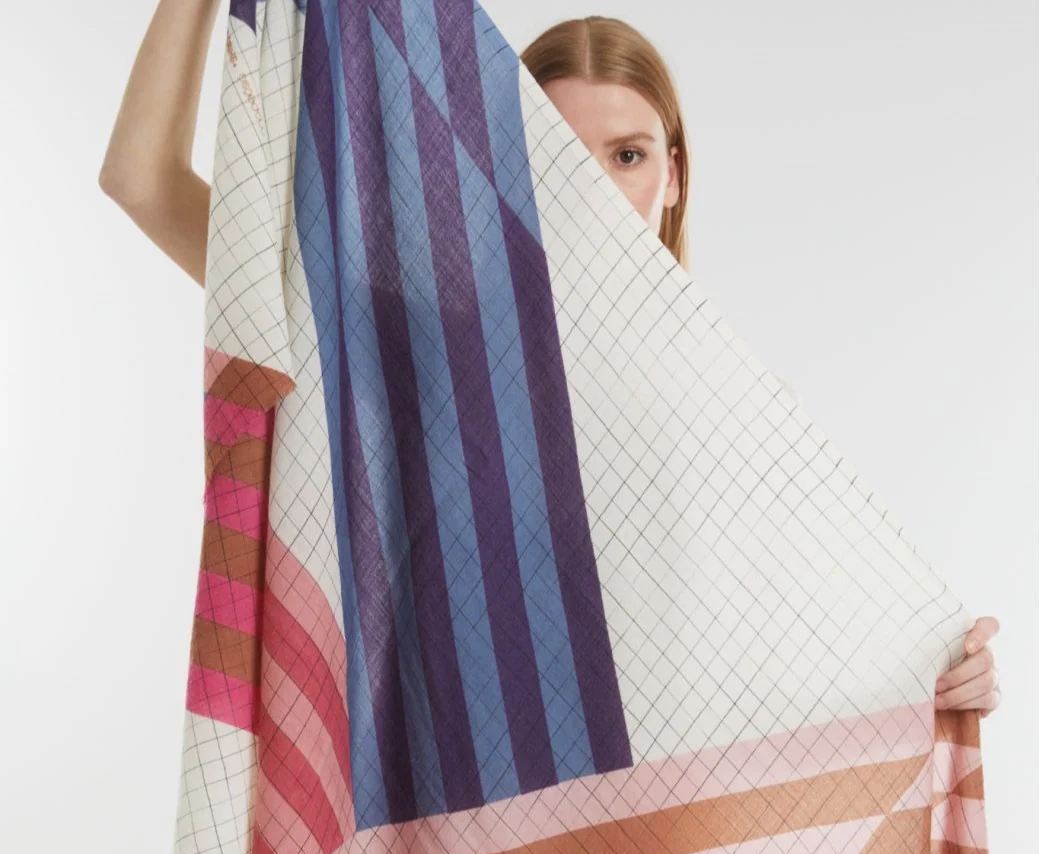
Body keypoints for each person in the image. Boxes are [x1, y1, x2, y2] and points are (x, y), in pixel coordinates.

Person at [98, 4, 1002, 715]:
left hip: (660, 840)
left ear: (674, 176)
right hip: (468, 824)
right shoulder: (410, 337)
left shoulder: (730, 404)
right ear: (497, 169)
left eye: (627, 156)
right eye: (561, 157)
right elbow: (140, 180)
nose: (597, 193)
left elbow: (784, 654)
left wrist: (935, 681)